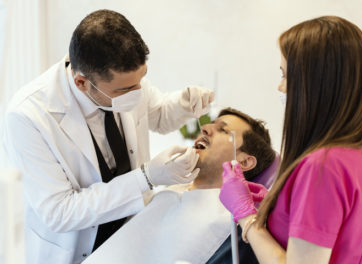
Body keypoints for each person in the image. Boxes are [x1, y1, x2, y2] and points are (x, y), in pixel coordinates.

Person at [2, 9, 214, 264]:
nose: (138, 92)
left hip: (130, 240)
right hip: (75, 251)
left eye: (141, 80)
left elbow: (156, 114)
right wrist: (147, 177)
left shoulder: (123, 79)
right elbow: (59, 212)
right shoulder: (28, 116)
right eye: (126, 89)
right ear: (82, 82)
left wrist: (183, 103)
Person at [219, 16, 362, 264]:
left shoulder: (323, 167)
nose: (280, 87)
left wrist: (246, 216)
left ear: (314, 84)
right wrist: (279, 206)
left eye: (285, 75)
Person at [82, 108, 277, 264]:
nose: (206, 128)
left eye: (223, 130)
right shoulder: (168, 192)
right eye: (211, 124)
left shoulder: (233, 226)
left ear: (244, 162)